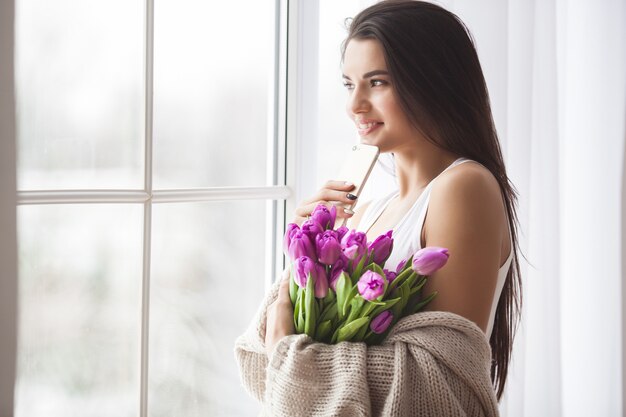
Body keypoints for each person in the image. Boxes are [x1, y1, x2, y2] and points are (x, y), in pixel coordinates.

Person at [236, 1, 522, 415]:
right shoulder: (367, 209)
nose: (355, 106)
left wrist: (289, 349)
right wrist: (302, 256)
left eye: (378, 82)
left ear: (433, 81)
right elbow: (258, 363)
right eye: (349, 84)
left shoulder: (463, 187)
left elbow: (436, 380)